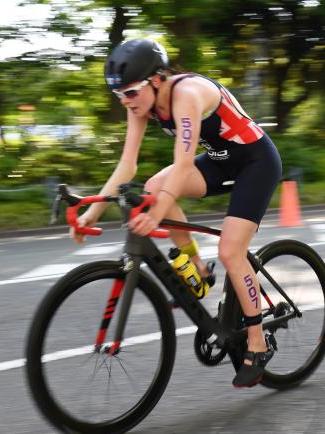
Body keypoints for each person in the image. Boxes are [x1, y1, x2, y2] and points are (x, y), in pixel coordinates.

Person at [70, 38, 282, 388]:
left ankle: (258, 344)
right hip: (218, 160)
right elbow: (128, 164)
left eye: (131, 93)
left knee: (231, 251)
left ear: (155, 80)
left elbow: (183, 165)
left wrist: (156, 216)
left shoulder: (187, 94)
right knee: (154, 187)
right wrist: (93, 211)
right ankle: (197, 269)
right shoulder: (140, 102)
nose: (125, 101)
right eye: (118, 95)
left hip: (255, 162)